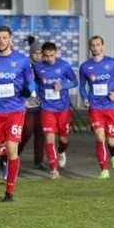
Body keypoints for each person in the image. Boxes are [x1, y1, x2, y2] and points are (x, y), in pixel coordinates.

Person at [0, 25, 36, 202]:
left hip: (15, 111)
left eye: (4, 37)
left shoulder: (21, 60)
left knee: (12, 150)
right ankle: (6, 157)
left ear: (11, 39)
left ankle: (9, 192)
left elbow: (32, 82)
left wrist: (28, 91)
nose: (1, 41)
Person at [78, 35, 114, 180]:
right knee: (100, 138)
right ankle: (104, 170)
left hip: (111, 106)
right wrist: (85, 98)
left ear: (103, 46)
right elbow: (82, 86)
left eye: (98, 45)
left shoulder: (113, 63)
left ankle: (113, 155)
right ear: (90, 47)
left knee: (111, 141)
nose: (95, 47)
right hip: (95, 107)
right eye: (93, 45)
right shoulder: (85, 67)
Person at [35, 41, 78, 179]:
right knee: (49, 138)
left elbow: (75, 81)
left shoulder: (64, 65)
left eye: (51, 55)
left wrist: (63, 86)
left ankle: (61, 151)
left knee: (64, 138)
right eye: (46, 56)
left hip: (63, 108)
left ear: (56, 53)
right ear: (42, 54)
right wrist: (36, 95)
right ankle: (54, 169)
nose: (48, 59)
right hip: (47, 108)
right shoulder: (38, 67)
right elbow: (35, 83)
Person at [17, 41, 45, 169]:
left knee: (41, 133)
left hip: (43, 105)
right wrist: (25, 97)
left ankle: (39, 161)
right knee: (26, 131)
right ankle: (13, 155)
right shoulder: (26, 65)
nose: (38, 56)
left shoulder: (45, 66)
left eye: (40, 53)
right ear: (31, 53)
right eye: (35, 53)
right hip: (28, 105)